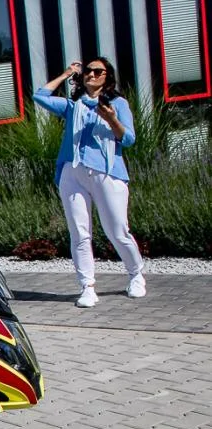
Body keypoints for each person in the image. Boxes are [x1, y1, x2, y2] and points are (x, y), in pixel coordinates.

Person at [34, 57, 145, 308]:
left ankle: (136, 273)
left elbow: (127, 139)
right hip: (72, 172)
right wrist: (66, 74)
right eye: (88, 72)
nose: (91, 75)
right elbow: (39, 96)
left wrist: (111, 119)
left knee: (117, 230)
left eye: (98, 72)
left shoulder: (117, 104)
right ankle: (87, 286)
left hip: (107, 172)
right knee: (80, 233)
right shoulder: (73, 106)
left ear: (107, 77)